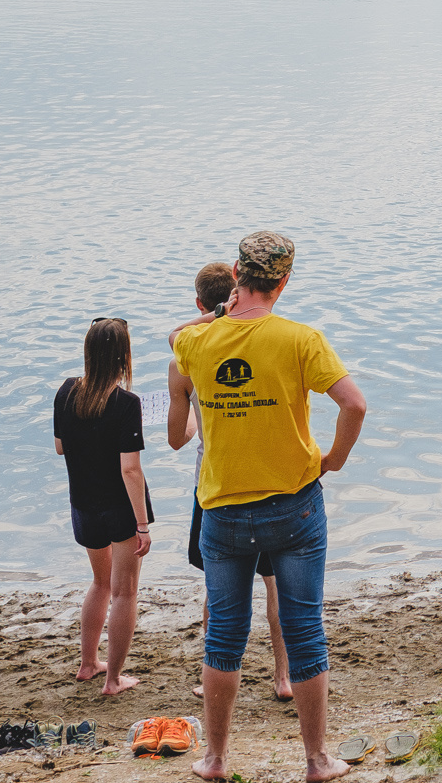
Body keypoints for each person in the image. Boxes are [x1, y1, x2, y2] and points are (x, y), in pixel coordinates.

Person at [167, 232, 366, 783]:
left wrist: (218, 316)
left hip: (222, 511)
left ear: (236, 274)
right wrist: (334, 459)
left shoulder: (197, 344)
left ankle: (213, 759)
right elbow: (354, 403)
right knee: (304, 629)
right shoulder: (300, 339)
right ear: (284, 280)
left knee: (224, 634)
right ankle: (316, 760)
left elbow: (175, 335)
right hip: (295, 508)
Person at [169, 262, 291, 701]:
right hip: (271, 479)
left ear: (202, 304)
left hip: (215, 480)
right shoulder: (260, 341)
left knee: (218, 588)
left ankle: (211, 677)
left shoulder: (191, 352)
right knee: (275, 583)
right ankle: (283, 677)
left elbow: (176, 438)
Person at [53, 317, 152, 697]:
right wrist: (142, 525)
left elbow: (61, 446)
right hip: (120, 509)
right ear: (123, 356)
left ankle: (88, 663)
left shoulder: (65, 391)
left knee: (99, 582)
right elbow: (130, 469)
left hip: (83, 505)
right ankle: (113, 680)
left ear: (88, 352)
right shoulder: (126, 403)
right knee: (125, 591)